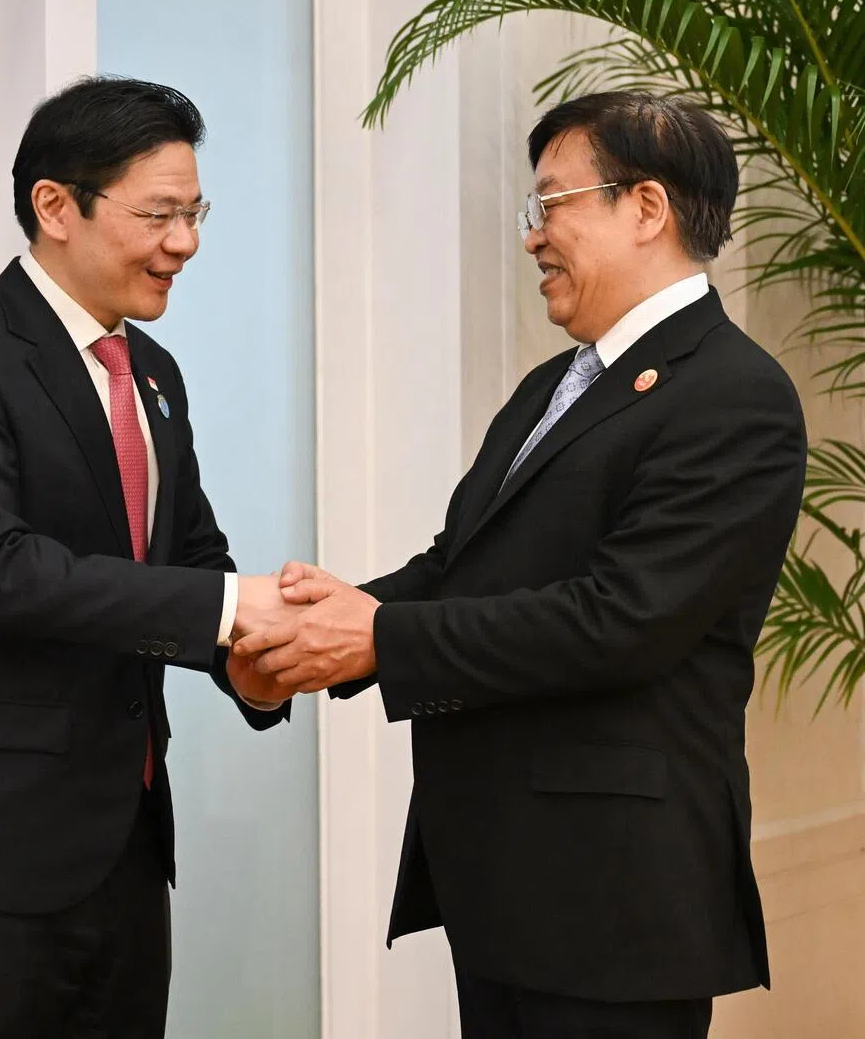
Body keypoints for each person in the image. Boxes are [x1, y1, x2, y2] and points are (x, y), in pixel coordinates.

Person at [237, 92, 808, 1039]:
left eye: (552, 205)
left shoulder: (736, 395)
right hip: (508, 882)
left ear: (647, 208)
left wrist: (374, 637)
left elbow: (620, 621)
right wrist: (313, 629)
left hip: (615, 901)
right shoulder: (558, 383)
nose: (534, 238)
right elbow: (462, 565)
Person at [0, 76, 291, 1039]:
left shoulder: (153, 371)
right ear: (55, 206)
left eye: (195, 212)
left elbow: (193, 554)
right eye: (160, 214)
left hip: (124, 845)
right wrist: (226, 611)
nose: (186, 243)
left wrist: (254, 659)